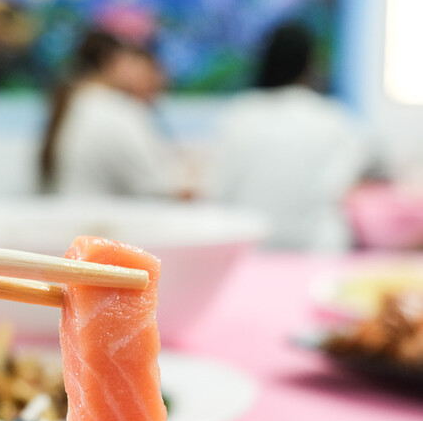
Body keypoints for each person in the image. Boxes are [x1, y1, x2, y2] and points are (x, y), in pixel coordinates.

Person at [211, 21, 384, 250]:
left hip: (249, 254)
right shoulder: (332, 119)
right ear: (310, 64)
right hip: (317, 253)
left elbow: (215, 192)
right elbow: (361, 171)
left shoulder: (238, 116)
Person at [40, 29, 188, 198]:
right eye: (144, 63)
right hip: (104, 218)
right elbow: (156, 187)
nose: (160, 77)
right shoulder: (117, 113)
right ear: (111, 62)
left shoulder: (78, 104)